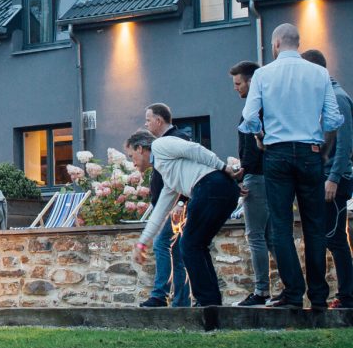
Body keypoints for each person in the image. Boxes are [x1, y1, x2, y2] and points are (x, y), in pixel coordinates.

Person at [240, 23, 342, 310]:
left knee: (281, 226)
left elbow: (249, 117)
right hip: (310, 152)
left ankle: (294, 293)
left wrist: (260, 135)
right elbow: (333, 119)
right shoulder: (319, 73)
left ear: (275, 44)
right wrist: (320, 148)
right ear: (298, 43)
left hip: (277, 153)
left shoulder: (263, 74)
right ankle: (318, 297)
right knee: (315, 227)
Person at [129, 129, 243, 306]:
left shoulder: (159, 145)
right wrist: (141, 243)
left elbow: (194, 148)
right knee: (196, 245)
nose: (132, 162)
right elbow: (158, 215)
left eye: (131, 156)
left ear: (140, 148)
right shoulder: (169, 178)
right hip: (220, 190)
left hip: (210, 186)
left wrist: (223, 167)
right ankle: (211, 302)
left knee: (189, 244)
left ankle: (207, 302)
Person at [301, 49, 353, 309]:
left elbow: (345, 145)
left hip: (335, 181)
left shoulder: (338, 98)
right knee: (329, 237)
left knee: (334, 238)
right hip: (324, 179)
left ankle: (348, 297)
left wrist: (333, 178)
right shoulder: (324, 98)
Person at [229, 61, 274, 306]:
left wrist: (241, 175)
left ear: (250, 81)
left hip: (256, 177)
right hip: (266, 177)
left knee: (255, 235)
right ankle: (291, 287)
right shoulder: (267, 107)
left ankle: (262, 291)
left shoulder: (254, 110)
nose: (235, 88)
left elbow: (253, 151)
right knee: (270, 237)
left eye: (238, 83)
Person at [138, 103, 191, 308]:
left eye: (148, 119)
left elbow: (186, 173)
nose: (146, 124)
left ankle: (160, 295)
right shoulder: (162, 143)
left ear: (159, 120)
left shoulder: (177, 139)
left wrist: (181, 202)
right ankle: (182, 302)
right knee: (177, 253)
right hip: (170, 205)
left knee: (161, 244)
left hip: (176, 206)